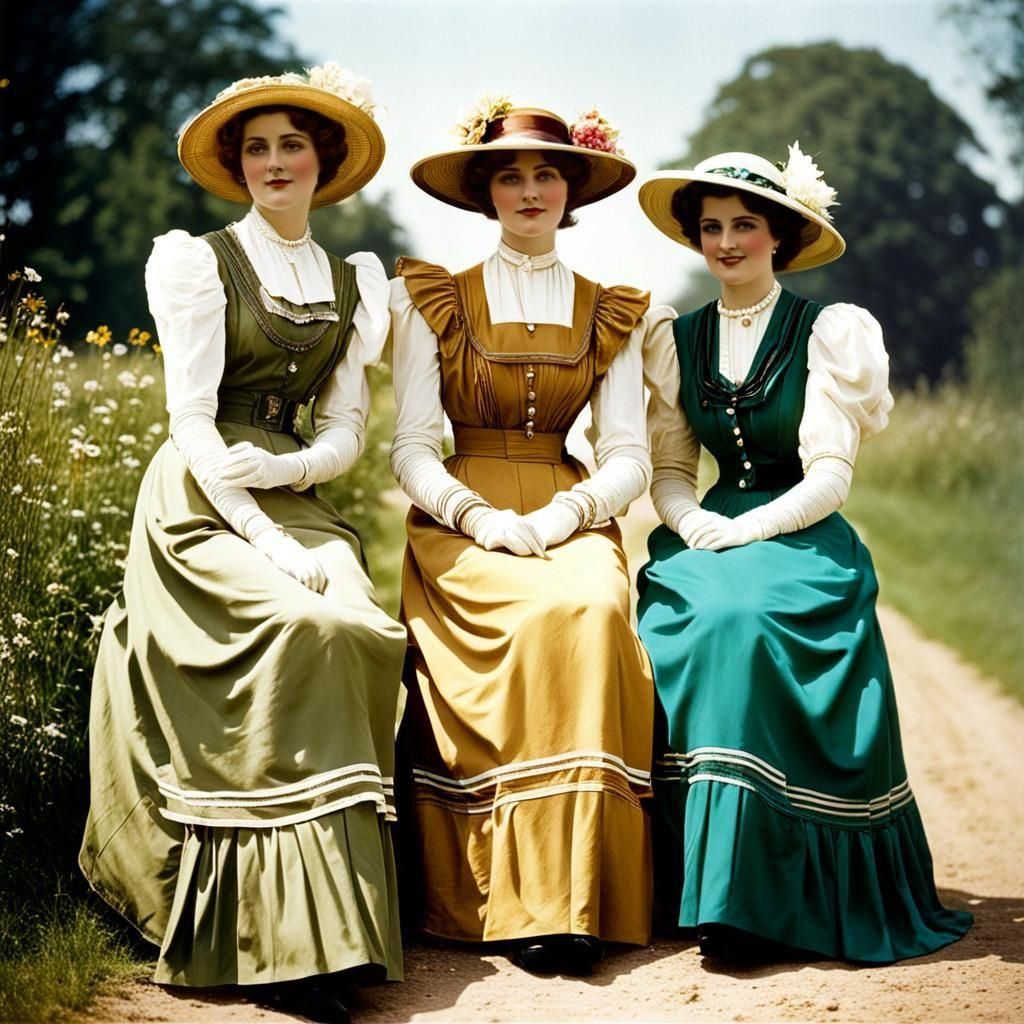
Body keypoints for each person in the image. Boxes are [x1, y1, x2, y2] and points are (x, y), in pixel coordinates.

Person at [79, 64, 406, 1021]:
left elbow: (346, 432)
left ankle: (338, 929)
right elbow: (190, 421)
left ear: (325, 163)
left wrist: (289, 477)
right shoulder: (198, 262)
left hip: (289, 492)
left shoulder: (356, 282)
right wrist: (265, 527)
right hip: (199, 500)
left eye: (291, 145)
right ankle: (278, 944)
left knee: (359, 630)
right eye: (255, 147)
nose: (273, 162)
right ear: (236, 166)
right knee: (305, 622)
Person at [634, 146, 973, 962]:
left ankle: (753, 899)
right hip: (709, 524)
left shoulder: (829, 332)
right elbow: (675, 469)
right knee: (688, 611)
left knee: (747, 618)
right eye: (711, 227)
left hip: (798, 531)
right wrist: (689, 524)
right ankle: (694, 885)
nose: (725, 243)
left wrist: (747, 531)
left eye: (743, 225)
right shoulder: (677, 339)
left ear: (778, 237)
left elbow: (830, 477)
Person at [388, 99, 655, 975]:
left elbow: (624, 456)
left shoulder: (609, 311)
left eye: (545, 173)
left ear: (571, 187)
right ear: (485, 191)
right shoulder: (433, 298)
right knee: (536, 618)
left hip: (566, 505)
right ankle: (501, 900)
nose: (529, 189)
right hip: (459, 510)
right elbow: (414, 446)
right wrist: (479, 517)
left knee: (585, 608)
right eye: (510, 174)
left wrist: (556, 518)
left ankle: (572, 900)